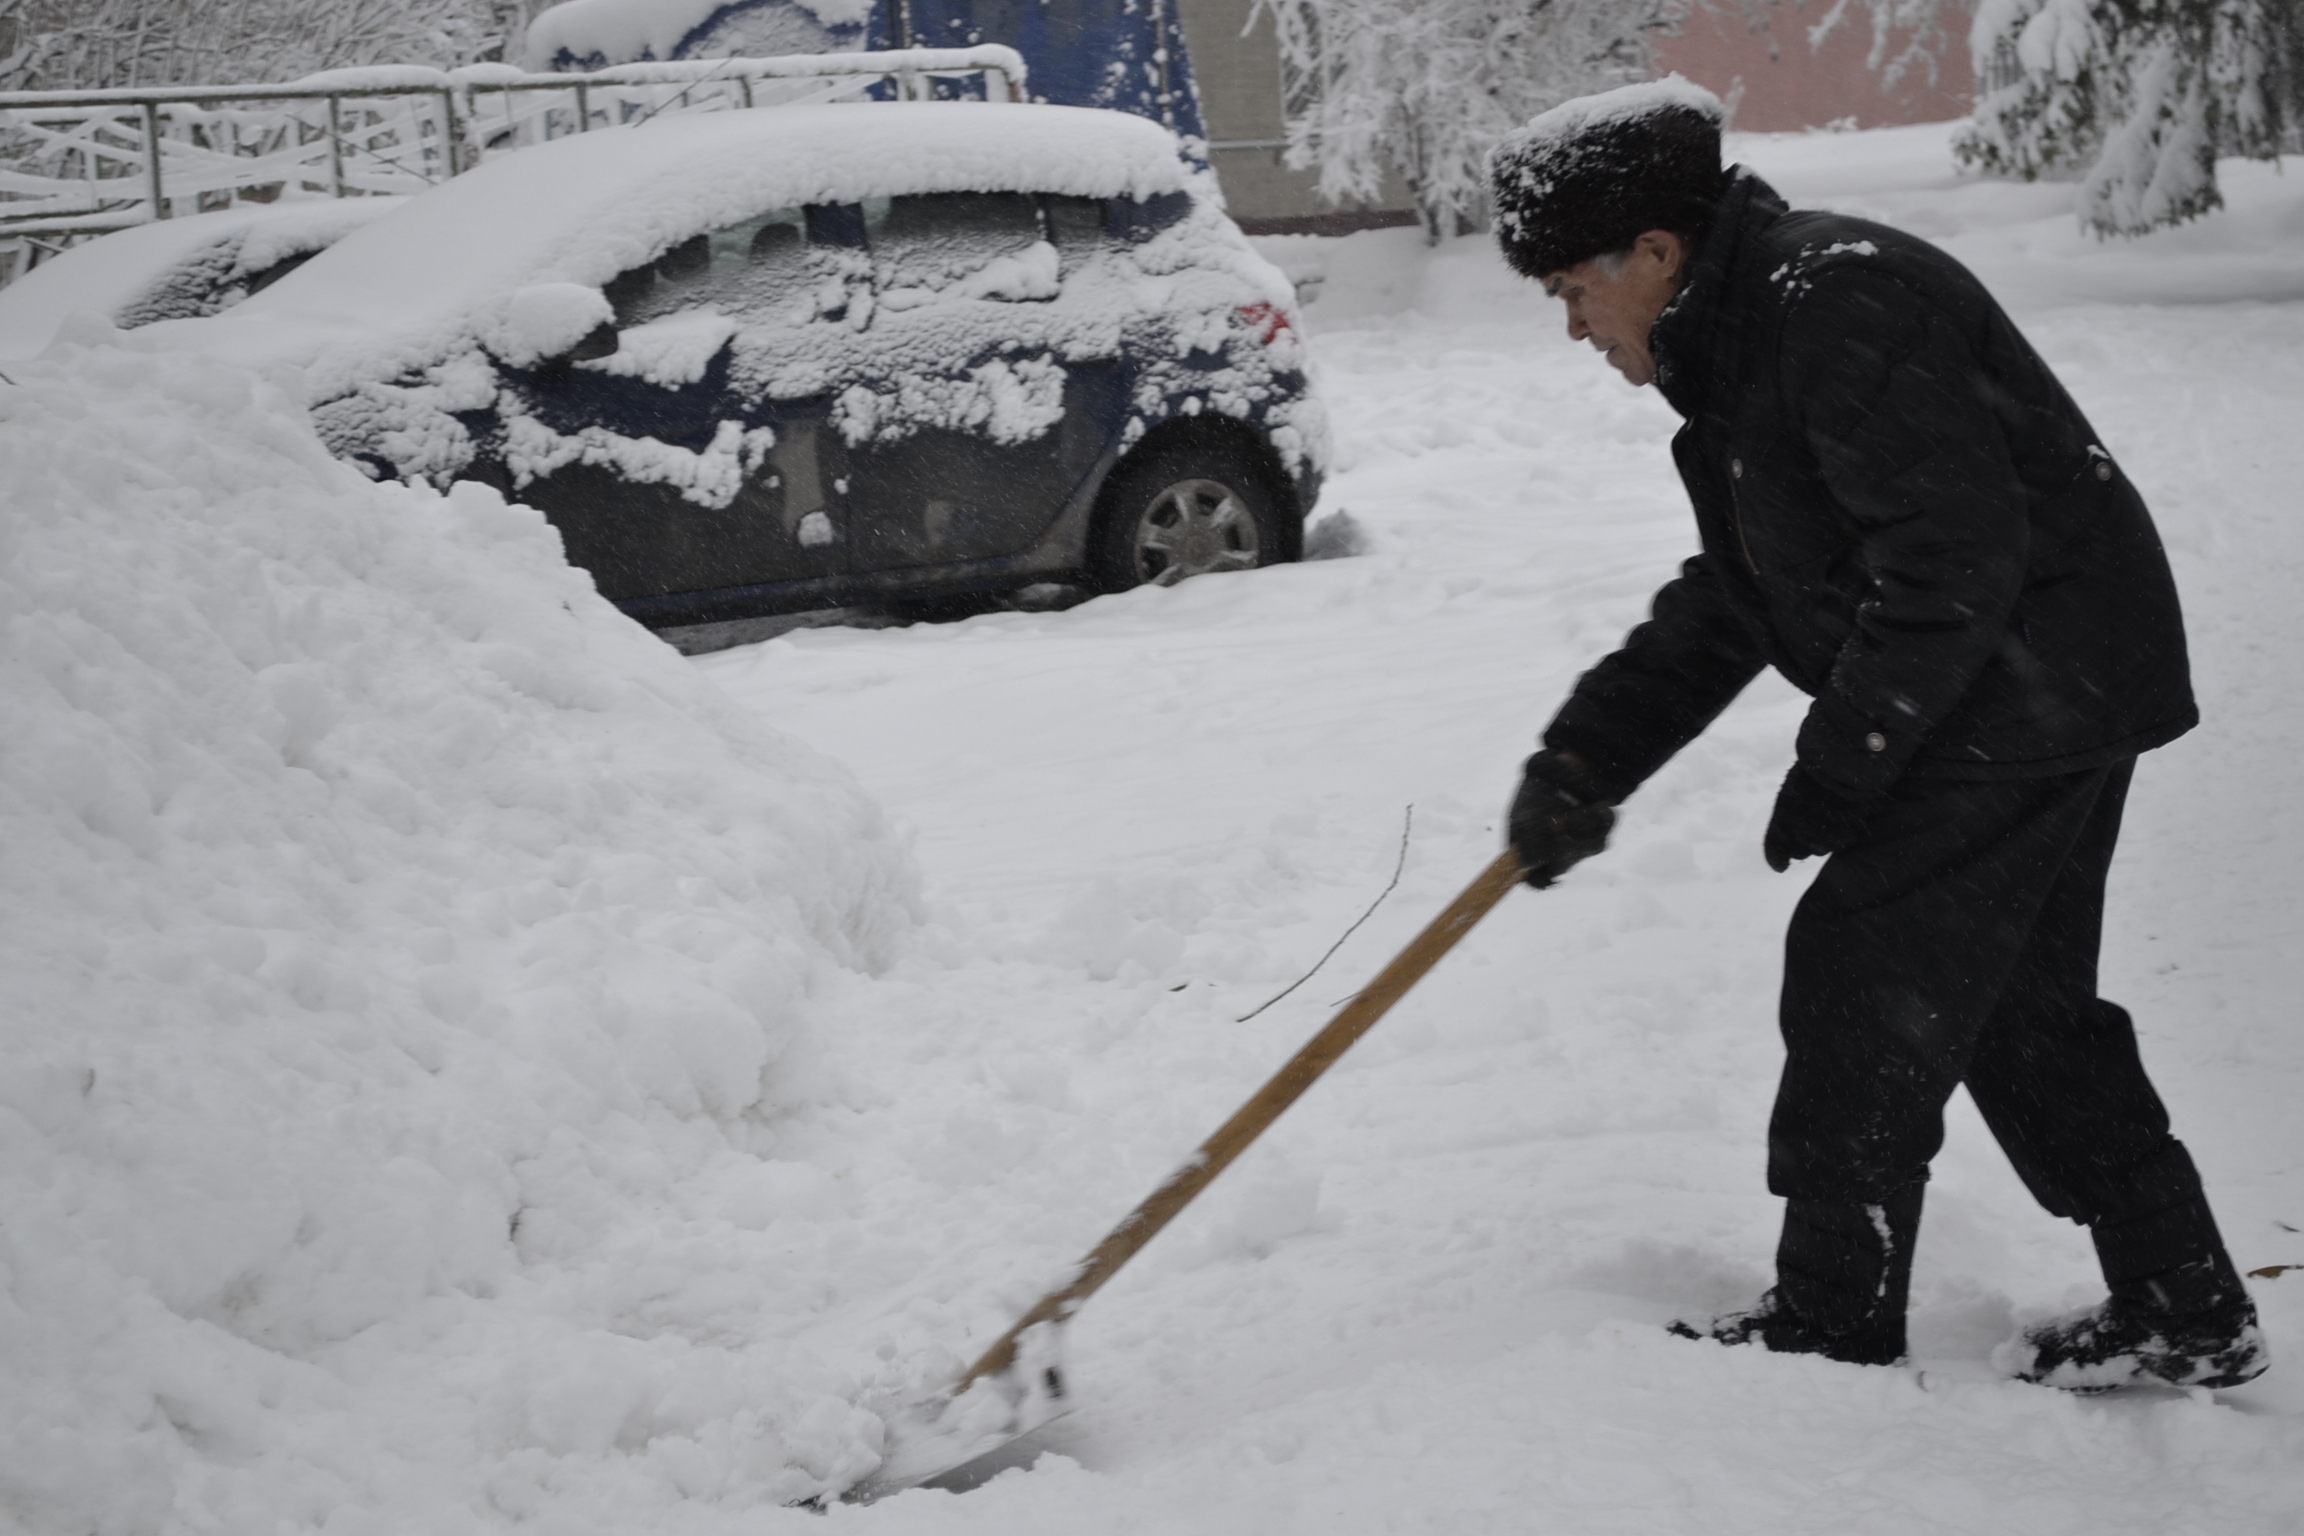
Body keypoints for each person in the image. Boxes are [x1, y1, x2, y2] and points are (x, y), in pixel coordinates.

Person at [1488, 78, 2267, 1389]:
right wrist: (1585, 760)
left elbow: (1954, 569)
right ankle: (2183, 1302)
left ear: (1659, 255)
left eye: (1573, 290)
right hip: (2034, 676)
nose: (1573, 327)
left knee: (1867, 974)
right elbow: (1737, 600)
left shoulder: (1835, 302)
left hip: (2029, 679)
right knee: (2019, 1010)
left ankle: (1830, 1325)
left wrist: (1841, 768)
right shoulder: (1747, 344)